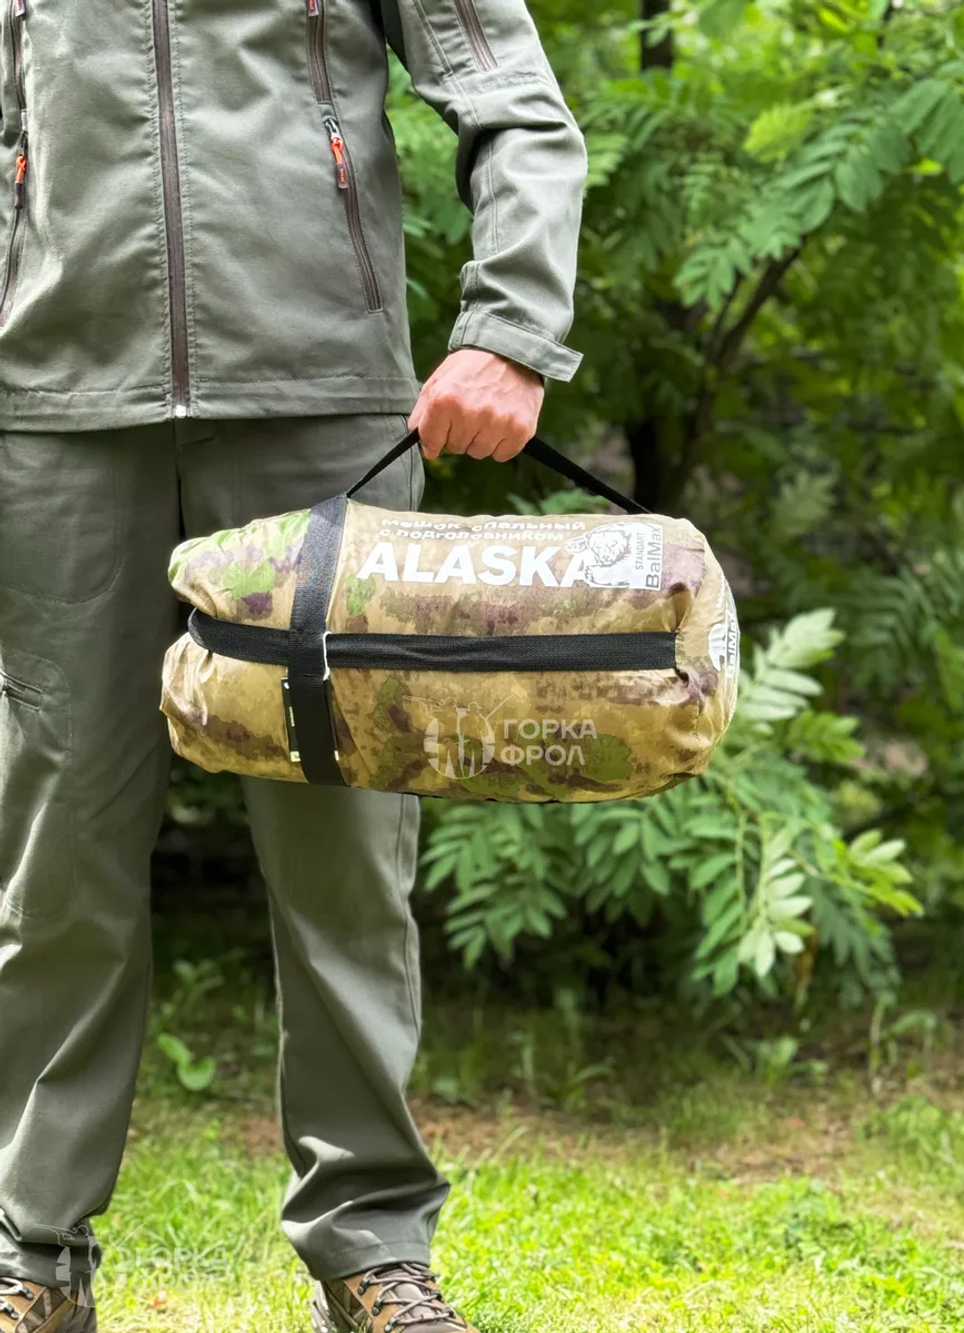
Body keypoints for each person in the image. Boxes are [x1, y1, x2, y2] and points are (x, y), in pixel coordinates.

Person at [0, 0, 586, 1325]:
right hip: (56, 411)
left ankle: (371, 1244)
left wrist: (508, 327)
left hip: (323, 412)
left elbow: (513, 102)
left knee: (345, 859)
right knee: (55, 853)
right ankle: (29, 1251)